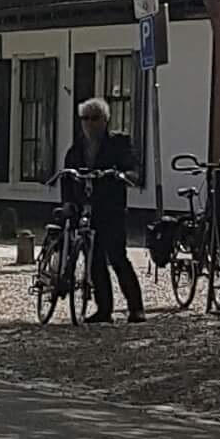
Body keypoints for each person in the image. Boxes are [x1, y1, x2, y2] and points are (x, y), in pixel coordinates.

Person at [66, 96, 144, 323]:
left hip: (111, 208)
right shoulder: (76, 148)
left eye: (95, 119)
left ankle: (136, 307)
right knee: (94, 259)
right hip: (87, 209)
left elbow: (132, 170)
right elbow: (67, 177)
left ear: (105, 121)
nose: (89, 123)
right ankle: (104, 309)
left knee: (117, 256)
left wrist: (121, 175)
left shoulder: (118, 143)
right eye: (85, 119)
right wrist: (68, 202)